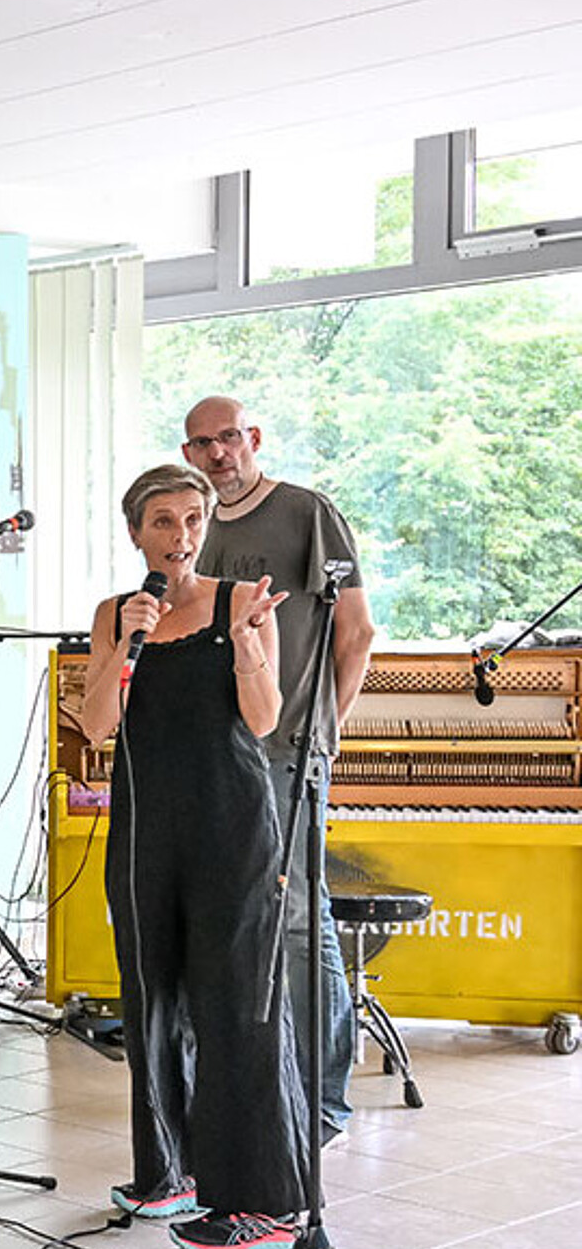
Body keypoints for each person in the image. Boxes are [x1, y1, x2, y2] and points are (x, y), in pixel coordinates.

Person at [81, 463, 308, 1249]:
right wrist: (126, 643)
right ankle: (168, 1173)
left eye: (192, 520)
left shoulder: (242, 601)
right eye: (164, 522)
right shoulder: (116, 613)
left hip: (230, 826)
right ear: (136, 533)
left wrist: (246, 649)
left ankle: (261, 1202)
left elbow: (264, 718)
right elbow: (97, 725)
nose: (181, 536)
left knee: (235, 1004)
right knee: (150, 997)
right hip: (146, 828)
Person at [181, 395, 379, 1141]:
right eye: (203, 444)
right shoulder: (193, 528)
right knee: (228, 920)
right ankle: (246, 1089)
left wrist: (323, 729)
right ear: (188, 453)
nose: (218, 454)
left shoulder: (306, 513)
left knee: (298, 921)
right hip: (216, 753)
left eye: (229, 438)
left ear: (253, 438)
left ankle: (321, 1102)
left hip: (289, 751)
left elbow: (355, 632)